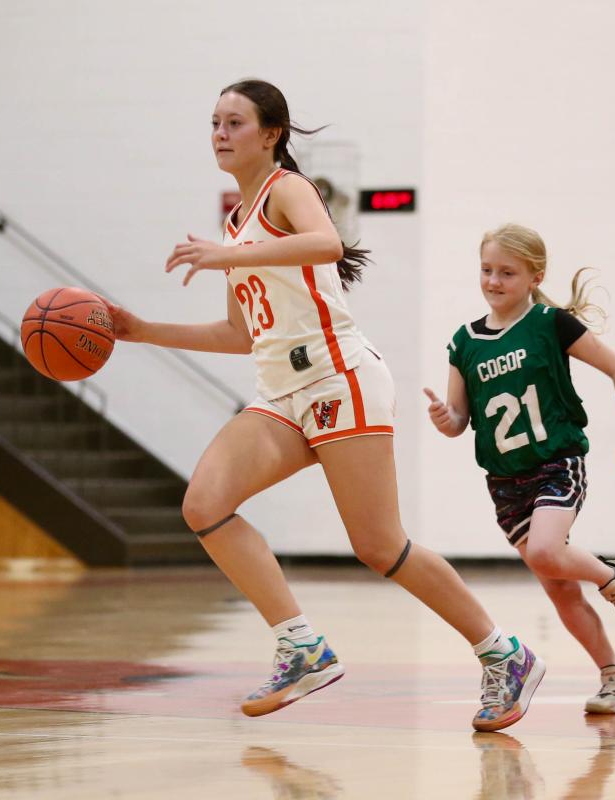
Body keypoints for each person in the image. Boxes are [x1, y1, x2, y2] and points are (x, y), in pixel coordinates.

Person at [103, 80, 544, 731]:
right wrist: (144, 331)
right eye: (215, 122)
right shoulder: (235, 222)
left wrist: (230, 254)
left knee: (379, 545)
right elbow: (239, 334)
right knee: (203, 503)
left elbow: (327, 243)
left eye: (234, 122)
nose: (220, 133)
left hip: (341, 381)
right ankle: (301, 645)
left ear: (271, 134)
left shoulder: (287, 189)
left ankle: (505, 653)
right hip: (282, 393)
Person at [424, 223, 615, 715]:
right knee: (560, 591)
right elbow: (459, 420)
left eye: (507, 272)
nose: (494, 281)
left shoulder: (551, 324)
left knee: (548, 551)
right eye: (487, 270)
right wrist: (447, 419)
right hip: (504, 482)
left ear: (535, 276)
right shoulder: (464, 342)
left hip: (555, 462)